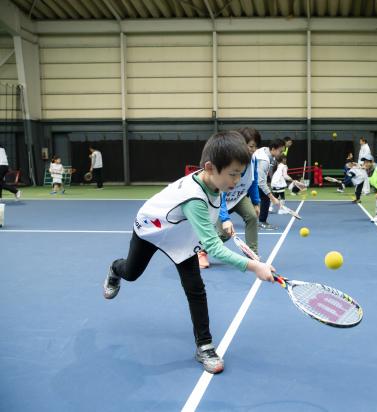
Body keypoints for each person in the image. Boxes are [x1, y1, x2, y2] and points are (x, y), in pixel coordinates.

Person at [102, 131, 275, 375]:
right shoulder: (193, 198)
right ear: (210, 167)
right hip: (152, 229)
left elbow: (217, 200)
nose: (237, 181)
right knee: (131, 273)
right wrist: (254, 266)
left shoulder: (216, 180)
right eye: (233, 174)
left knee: (195, 288)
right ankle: (114, 268)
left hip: (180, 235)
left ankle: (204, 346)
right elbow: (213, 247)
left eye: (240, 174)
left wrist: (224, 219)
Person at [198, 127, 261, 269]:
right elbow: (220, 193)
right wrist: (225, 219)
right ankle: (201, 251)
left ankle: (252, 254)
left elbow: (253, 180)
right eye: (250, 146)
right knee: (225, 234)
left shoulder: (253, 161)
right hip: (221, 200)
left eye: (255, 146)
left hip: (238, 198)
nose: (253, 150)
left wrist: (256, 202)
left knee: (252, 216)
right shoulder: (229, 162)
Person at [255, 138, 285, 230]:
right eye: (280, 151)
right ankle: (262, 222)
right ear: (273, 149)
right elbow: (260, 182)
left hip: (251, 179)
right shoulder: (264, 160)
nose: (281, 154)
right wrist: (273, 198)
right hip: (248, 180)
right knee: (265, 197)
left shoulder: (265, 150)